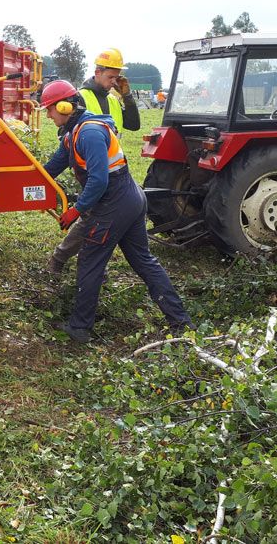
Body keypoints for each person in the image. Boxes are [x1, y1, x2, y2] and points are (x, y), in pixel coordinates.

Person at [39, 79, 194, 343]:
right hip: (127, 199)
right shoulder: (73, 133)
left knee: (90, 261)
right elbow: (51, 168)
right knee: (144, 261)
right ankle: (180, 322)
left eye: (50, 109)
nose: (48, 115)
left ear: (65, 106)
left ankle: (79, 328)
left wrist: (76, 210)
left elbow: (99, 181)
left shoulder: (88, 133)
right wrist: (28, 179)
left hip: (115, 201)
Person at [47, 48, 140, 274]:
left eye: (117, 78)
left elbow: (134, 124)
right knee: (93, 217)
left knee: (94, 220)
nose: (114, 82)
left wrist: (127, 96)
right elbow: (65, 150)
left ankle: (77, 263)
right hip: (88, 167)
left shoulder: (113, 100)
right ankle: (71, 261)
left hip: (109, 172)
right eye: (110, 77)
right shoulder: (80, 98)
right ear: (97, 72)